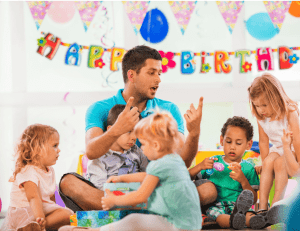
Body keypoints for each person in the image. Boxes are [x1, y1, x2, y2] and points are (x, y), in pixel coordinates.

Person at [59, 45, 216, 211]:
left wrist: (194, 133)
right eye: (151, 72)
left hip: (154, 185)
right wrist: (117, 129)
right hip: (108, 188)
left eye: (159, 73)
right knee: (68, 183)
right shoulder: (100, 108)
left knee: (208, 190)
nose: (158, 79)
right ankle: (147, 209)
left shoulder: (169, 110)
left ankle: (127, 209)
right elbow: (91, 151)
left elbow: (180, 163)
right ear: (131, 75)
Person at [59, 110, 202, 231]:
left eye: (144, 144)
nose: (142, 148)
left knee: (134, 220)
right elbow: (147, 176)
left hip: (175, 224)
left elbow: (140, 196)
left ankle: (95, 230)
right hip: (192, 223)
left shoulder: (158, 165)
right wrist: (123, 179)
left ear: (156, 145)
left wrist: (115, 200)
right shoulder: (173, 160)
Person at [189, 116, 260, 229]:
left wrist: (243, 180)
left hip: (239, 207)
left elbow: (254, 199)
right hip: (216, 206)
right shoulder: (213, 161)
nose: (232, 147)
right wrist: (200, 166)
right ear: (222, 140)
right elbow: (186, 178)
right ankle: (238, 222)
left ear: (248, 144)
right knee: (221, 218)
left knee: (250, 214)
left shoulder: (248, 168)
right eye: (228, 141)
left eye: (238, 143)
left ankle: (259, 220)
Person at [0, 124, 73, 231]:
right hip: (26, 211)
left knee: (67, 215)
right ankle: (34, 226)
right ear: (38, 149)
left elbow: (50, 196)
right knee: (67, 215)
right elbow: (33, 197)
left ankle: (36, 226)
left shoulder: (49, 170)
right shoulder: (28, 170)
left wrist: (57, 209)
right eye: (55, 146)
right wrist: (40, 217)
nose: (59, 150)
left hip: (39, 209)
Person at [247, 73, 300, 212]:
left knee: (279, 163)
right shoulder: (261, 117)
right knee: (269, 162)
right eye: (257, 105)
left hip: (292, 148)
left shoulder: (289, 112)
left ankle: (277, 204)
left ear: (276, 98)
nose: (261, 110)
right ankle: (263, 206)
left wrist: (299, 160)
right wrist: (265, 166)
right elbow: (263, 142)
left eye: (264, 105)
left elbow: (298, 139)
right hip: (277, 148)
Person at [87, 104, 148, 191]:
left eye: (136, 132)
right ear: (111, 129)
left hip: (138, 196)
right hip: (112, 197)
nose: (134, 137)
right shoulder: (99, 156)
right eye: (129, 131)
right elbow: (99, 188)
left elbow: (149, 175)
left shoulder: (136, 151)